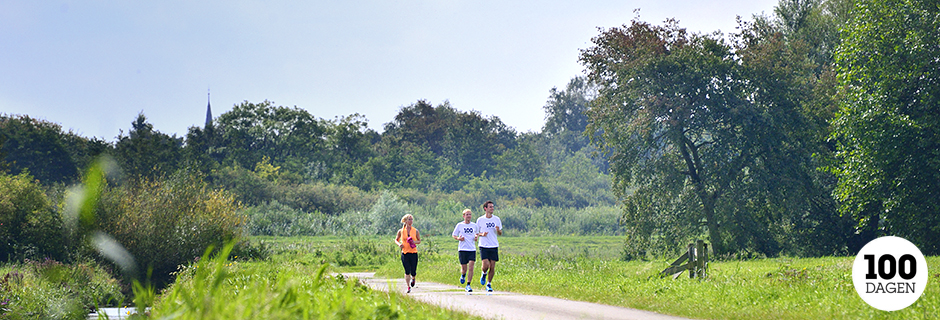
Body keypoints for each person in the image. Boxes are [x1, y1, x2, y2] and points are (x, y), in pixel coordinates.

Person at [476, 200, 502, 292]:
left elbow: (500, 233)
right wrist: (481, 234)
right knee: (486, 265)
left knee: (492, 266)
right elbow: (476, 232)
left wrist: (498, 230)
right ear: (485, 208)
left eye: (493, 207)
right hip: (484, 245)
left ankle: (489, 284)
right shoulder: (480, 220)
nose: (492, 208)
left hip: (494, 245)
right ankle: (483, 273)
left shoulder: (496, 219)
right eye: (490, 207)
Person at [452, 208, 479, 292]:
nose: (469, 216)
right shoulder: (460, 225)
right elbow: (454, 235)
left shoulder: (474, 225)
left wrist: (476, 237)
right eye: (467, 214)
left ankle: (468, 285)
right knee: (464, 268)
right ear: (464, 216)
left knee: (471, 267)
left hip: (472, 249)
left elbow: (477, 233)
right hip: (462, 249)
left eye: (470, 214)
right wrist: (459, 238)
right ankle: (463, 275)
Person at [395, 214, 421, 293]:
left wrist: (414, 242)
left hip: (413, 253)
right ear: (405, 221)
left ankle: (413, 278)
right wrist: (399, 244)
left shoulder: (415, 231)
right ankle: (408, 287)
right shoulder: (401, 231)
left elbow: (419, 240)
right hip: (405, 253)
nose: (411, 221)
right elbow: (396, 240)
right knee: (407, 270)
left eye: (412, 219)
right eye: (409, 219)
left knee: (413, 271)